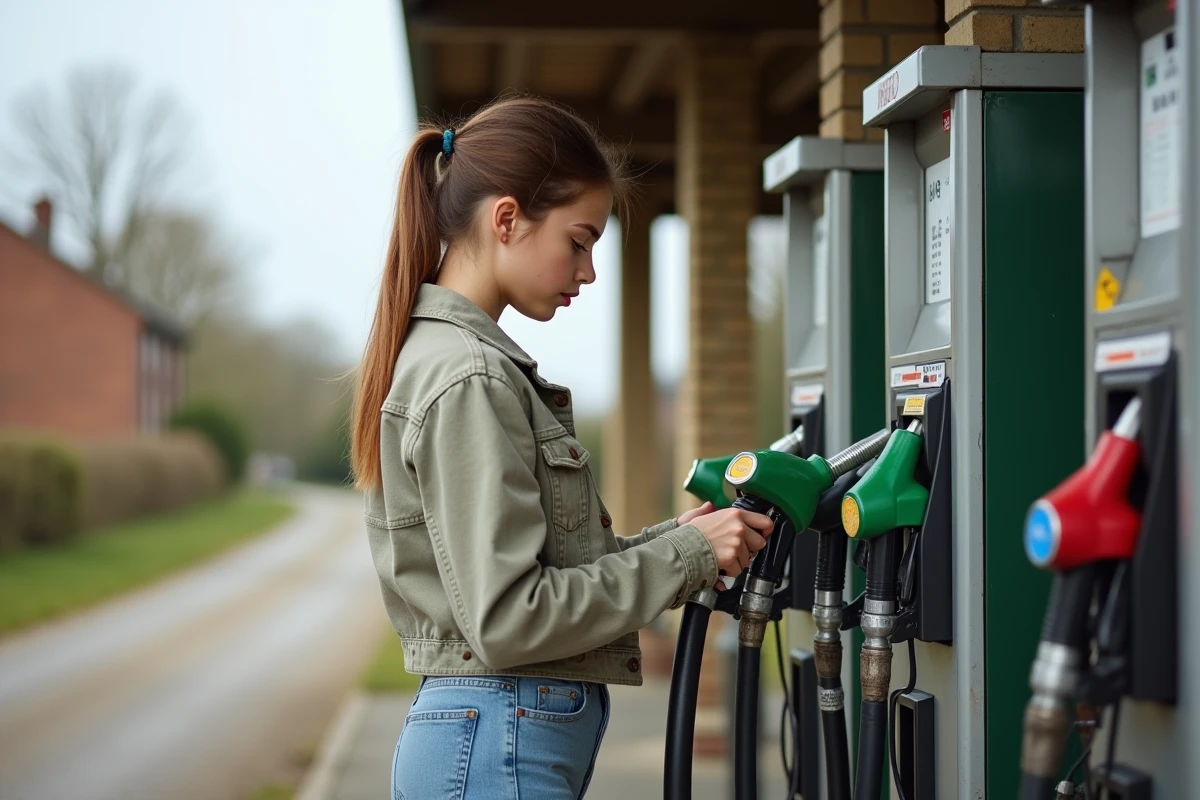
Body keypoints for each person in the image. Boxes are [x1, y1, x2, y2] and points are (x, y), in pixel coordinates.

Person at [351, 96, 774, 800]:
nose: (589, 271)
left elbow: (547, 572)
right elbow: (511, 616)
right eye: (579, 241)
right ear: (507, 219)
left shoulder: (461, 363)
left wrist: (681, 540)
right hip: (496, 745)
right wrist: (686, 556)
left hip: (492, 740)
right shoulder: (470, 378)